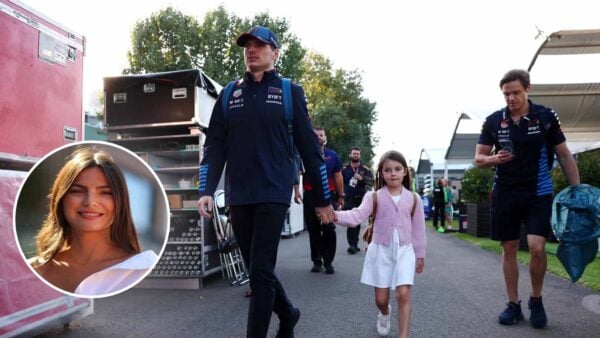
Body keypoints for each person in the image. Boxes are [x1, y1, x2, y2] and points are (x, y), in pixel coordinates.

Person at [197, 26, 334, 338]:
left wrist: (324, 200)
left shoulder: (289, 92)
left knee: (259, 271)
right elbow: (215, 146)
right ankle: (288, 314)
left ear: (275, 52)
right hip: (238, 194)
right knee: (258, 271)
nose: (252, 50)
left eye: (260, 45)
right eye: (247, 45)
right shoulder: (229, 94)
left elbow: (310, 150)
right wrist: (206, 190)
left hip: (274, 192)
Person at [475, 69, 580, 329]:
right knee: (509, 247)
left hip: (538, 192)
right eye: (506, 94)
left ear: (528, 89)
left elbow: (564, 155)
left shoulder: (545, 117)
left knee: (536, 246)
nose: (510, 98)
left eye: (515, 92)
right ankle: (513, 304)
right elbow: (479, 159)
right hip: (506, 193)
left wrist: (576, 190)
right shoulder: (492, 122)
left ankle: (536, 299)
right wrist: (493, 159)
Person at [30, 147, 157, 297]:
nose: (90, 202)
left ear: (120, 202)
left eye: (105, 193)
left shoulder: (141, 267)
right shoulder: (35, 267)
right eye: (77, 191)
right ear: (61, 199)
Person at [333, 150, 426, 338]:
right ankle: (384, 313)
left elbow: (419, 229)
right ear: (381, 173)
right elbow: (356, 216)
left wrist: (420, 254)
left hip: (404, 251)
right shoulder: (374, 196)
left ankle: (403, 335)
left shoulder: (414, 199)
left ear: (405, 172)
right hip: (380, 251)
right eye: (388, 170)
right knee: (381, 299)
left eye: (398, 169)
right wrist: (334, 215)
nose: (393, 173)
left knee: (403, 294)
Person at [302, 127, 344, 274]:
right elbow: (297, 173)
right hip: (310, 195)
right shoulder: (305, 154)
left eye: (321, 135)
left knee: (329, 228)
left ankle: (328, 262)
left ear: (325, 137)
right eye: (316, 135)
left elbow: (338, 176)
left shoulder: (332, 155)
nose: (318, 137)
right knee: (313, 229)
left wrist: (340, 196)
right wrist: (296, 191)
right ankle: (316, 261)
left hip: (328, 195)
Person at [341, 147, 373, 254]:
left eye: (357, 154)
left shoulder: (365, 169)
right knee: (351, 221)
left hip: (361, 199)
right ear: (350, 155)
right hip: (349, 198)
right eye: (354, 154)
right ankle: (352, 244)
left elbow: (372, 182)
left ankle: (355, 242)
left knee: (358, 221)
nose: (355, 155)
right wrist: (340, 197)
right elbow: (340, 182)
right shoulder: (344, 170)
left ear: (360, 156)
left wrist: (362, 179)